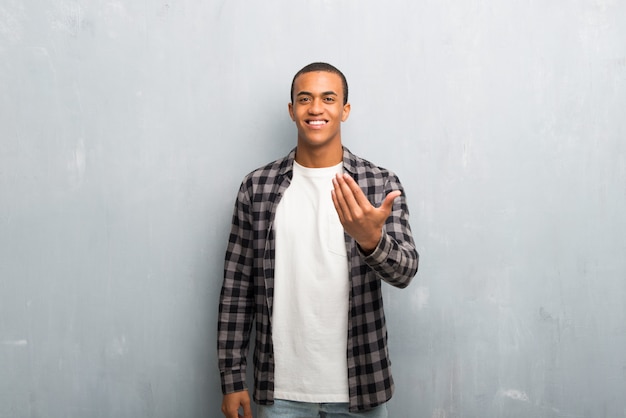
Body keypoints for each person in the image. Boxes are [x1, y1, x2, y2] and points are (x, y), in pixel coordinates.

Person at [218, 62, 419, 418]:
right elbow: (237, 288)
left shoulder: (379, 184)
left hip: (361, 388)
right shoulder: (257, 187)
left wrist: (372, 241)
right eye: (304, 98)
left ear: (345, 110)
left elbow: (404, 272)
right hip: (280, 393)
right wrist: (233, 378)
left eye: (328, 98)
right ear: (292, 109)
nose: (315, 108)